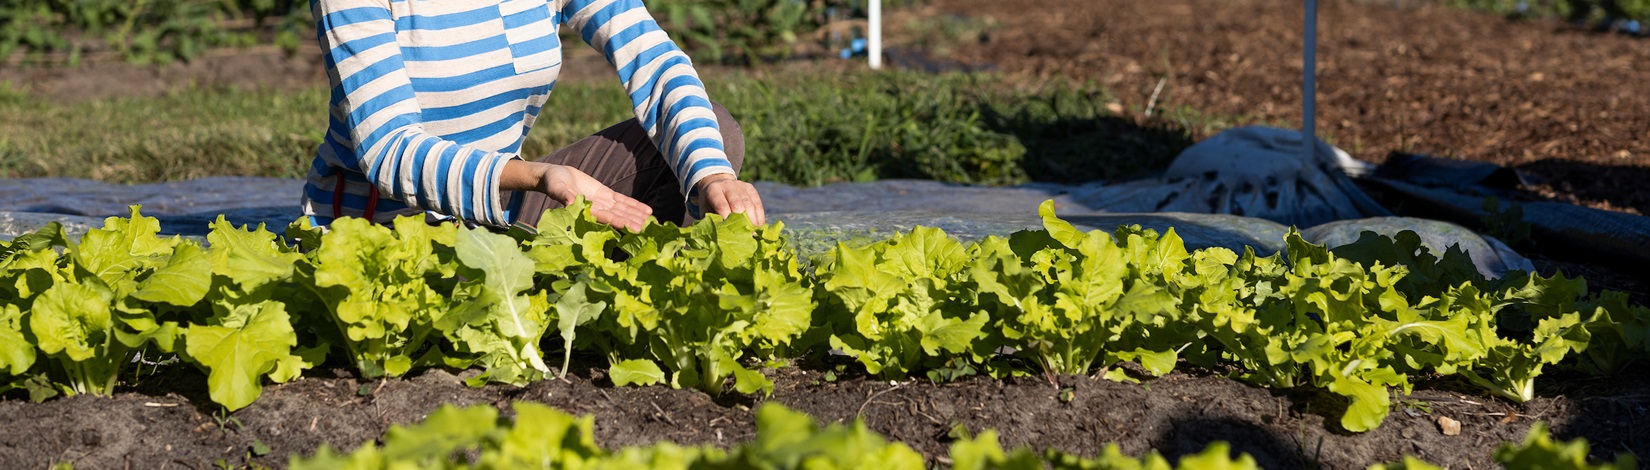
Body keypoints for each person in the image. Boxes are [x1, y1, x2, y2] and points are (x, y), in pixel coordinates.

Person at [301, 0, 766, 233]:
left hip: (502, 214)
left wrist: (712, 174)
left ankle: (644, 305)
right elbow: (389, 151)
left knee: (714, 136)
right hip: (379, 234)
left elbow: (656, 64)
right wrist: (540, 176)